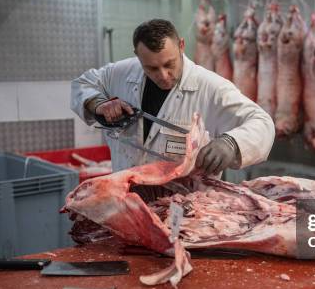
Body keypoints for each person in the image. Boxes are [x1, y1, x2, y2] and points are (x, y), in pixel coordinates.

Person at [71, 19, 275, 174]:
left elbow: (262, 122)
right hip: (128, 198)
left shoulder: (210, 87)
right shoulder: (122, 72)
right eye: (151, 67)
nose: (163, 75)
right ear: (137, 54)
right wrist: (98, 104)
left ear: (182, 46)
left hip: (187, 208)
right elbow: (82, 84)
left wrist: (231, 143)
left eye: (169, 64)